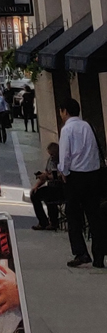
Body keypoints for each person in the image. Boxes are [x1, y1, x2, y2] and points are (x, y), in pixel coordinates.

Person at [57, 98, 105, 268]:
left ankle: (81, 252)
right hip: (93, 175)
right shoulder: (88, 126)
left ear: (65, 111)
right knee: (94, 215)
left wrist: (63, 171)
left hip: (76, 177)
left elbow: (65, 155)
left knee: (74, 215)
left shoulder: (67, 129)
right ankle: (99, 255)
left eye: (61, 111)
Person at [30, 141, 64, 231]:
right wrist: (36, 186)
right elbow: (46, 173)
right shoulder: (50, 160)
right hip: (51, 185)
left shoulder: (61, 160)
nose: (51, 156)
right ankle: (43, 221)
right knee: (34, 194)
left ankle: (53, 222)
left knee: (49, 195)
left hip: (60, 186)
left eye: (53, 154)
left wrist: (48, 177)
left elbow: (60, 175)